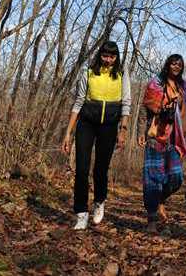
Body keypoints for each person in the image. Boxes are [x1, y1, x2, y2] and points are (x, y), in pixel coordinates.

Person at [60, 41, 130, 230]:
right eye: (105, 56)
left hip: (109, 125)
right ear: (100, 55)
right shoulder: (88, 72)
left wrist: (123, 130)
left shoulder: (122, 75)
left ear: (117, 58)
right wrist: (68, 133)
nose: (108, 60)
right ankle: (81, 213)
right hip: (87, 124)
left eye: (112, 57)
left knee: (100, 168)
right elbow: (78, 102)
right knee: (81, 168)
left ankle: (99, 201)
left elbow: (126, 104)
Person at [137, 54, 186, 232]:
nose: (176, 66)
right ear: (167, 64)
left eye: (179, 64)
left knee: (176, 177)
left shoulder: (183, 86)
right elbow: (145, 108)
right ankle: (152, 219)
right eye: (173, 63)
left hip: (175, 137)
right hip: (155, 135)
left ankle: (160, 200)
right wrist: (141, 132)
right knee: (153, 179)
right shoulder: (156, 83)